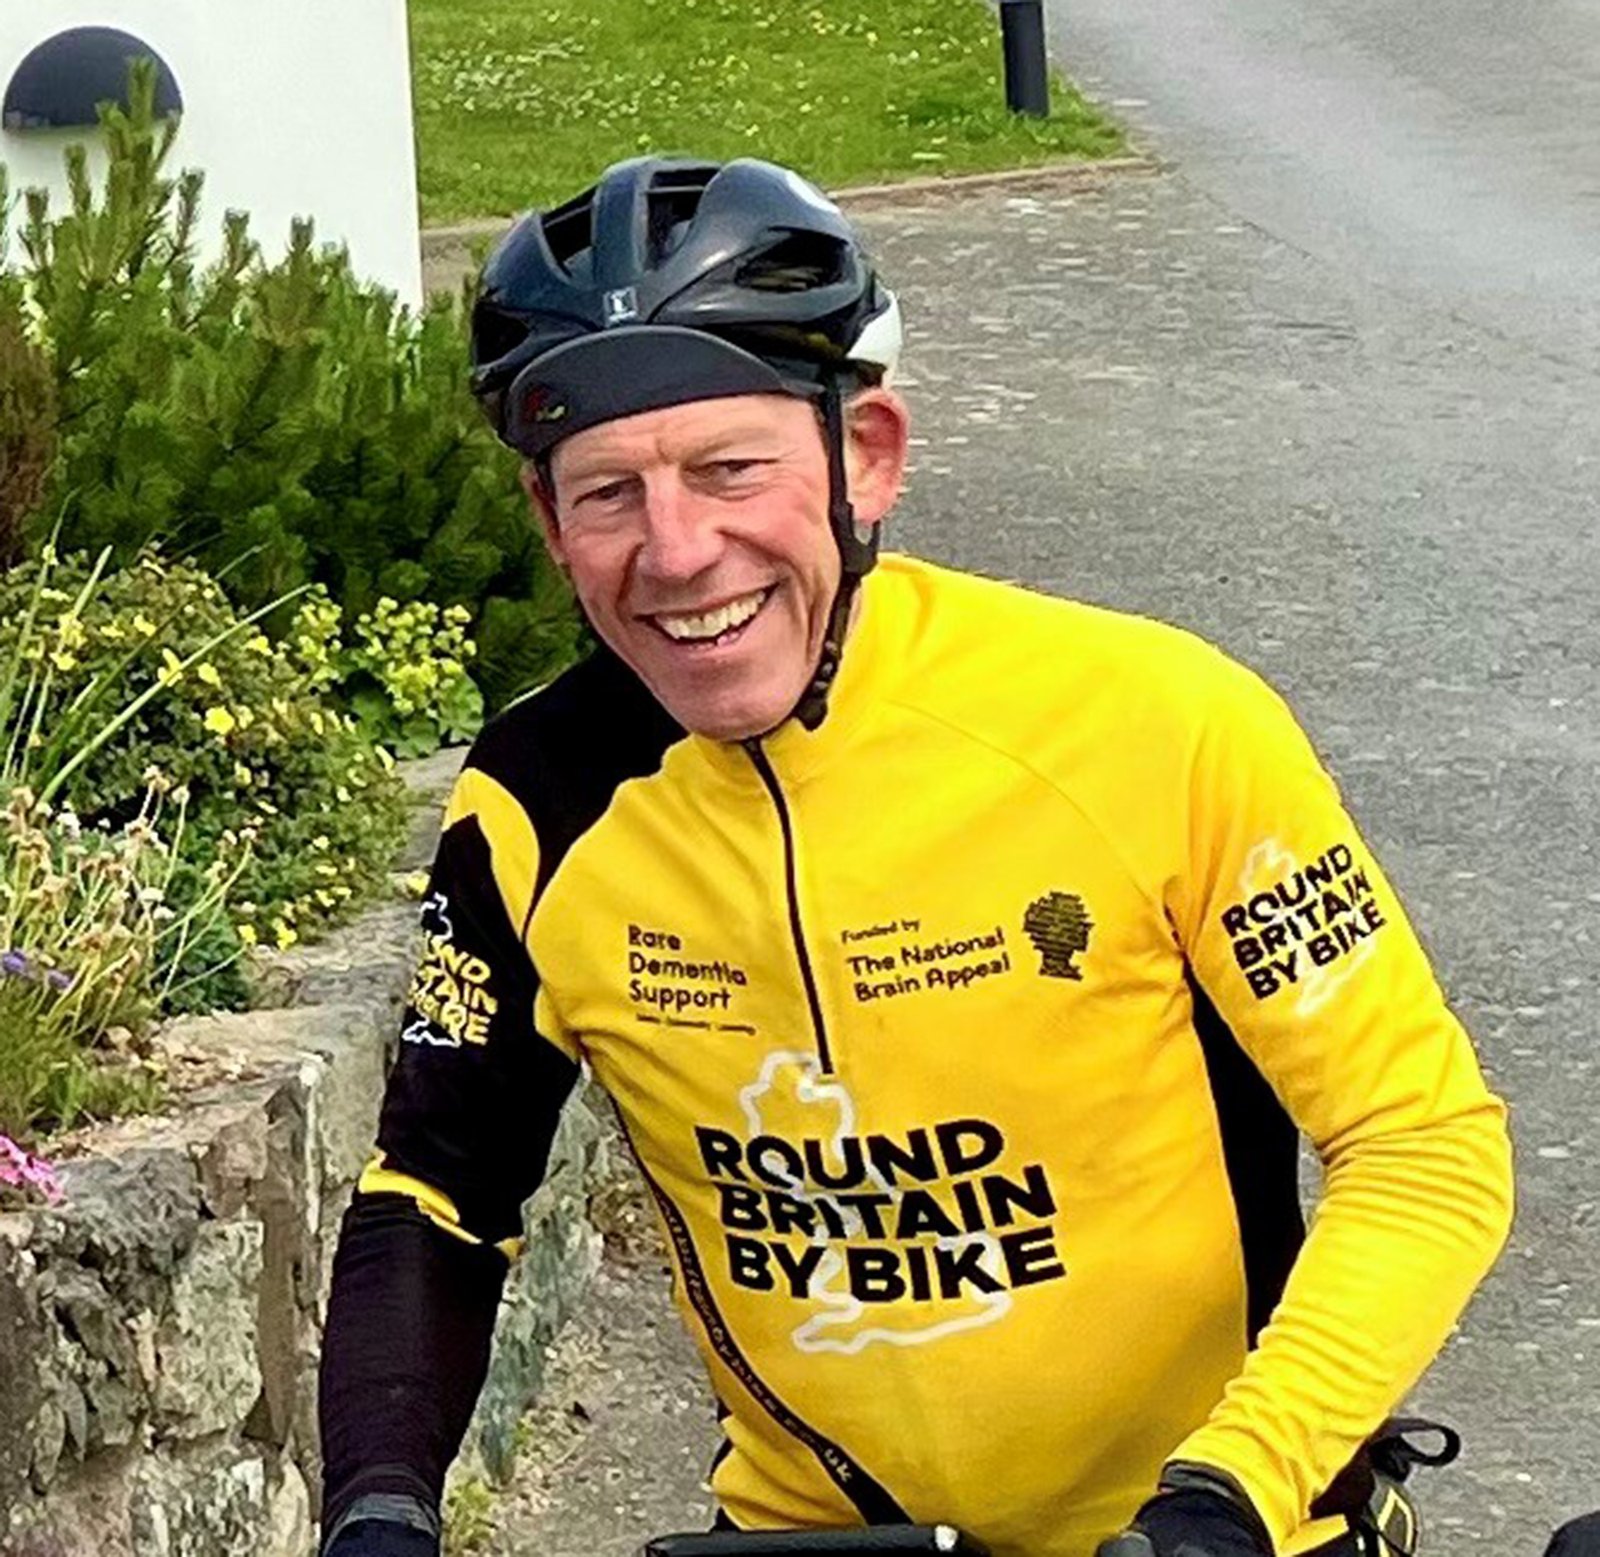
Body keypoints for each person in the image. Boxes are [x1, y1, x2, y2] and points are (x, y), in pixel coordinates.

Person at [315, 157, 1514, 1557]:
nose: (679, 550)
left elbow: (1422, 1141)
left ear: (866, 456)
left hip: (1209, 1530)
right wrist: (379, 1514)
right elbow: (437, 1195)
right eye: (607, 495)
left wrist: (1237, 1487)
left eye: (730, 468)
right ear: (548, 524)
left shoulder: (1156, 722)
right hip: (804, 1537)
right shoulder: (536, 805)